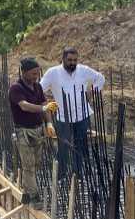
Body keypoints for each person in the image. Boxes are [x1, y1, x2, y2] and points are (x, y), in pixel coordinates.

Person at [40, 47, 104, 179]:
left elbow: (101, 78)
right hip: (63, 117)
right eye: (69, 60)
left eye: (75, 60)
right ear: (63, 59)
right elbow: (40, 89)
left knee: (80, 146)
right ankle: (61, 175)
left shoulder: (83, 70)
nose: (72, 63)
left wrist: (91, 92)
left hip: (82, 116)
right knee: (63, 147)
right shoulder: (53, 73)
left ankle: (78, 174)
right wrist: (45, 103)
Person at [9, 57, 56, 210]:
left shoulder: (37, 87)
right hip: (23, 131)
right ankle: (35, 198)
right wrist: (43, 108)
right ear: (24, 72)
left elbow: (44, 105)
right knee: (28, 166)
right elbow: (24, 106)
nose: (36, 76)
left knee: (36, 164)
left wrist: (48, 122)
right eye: (33, 73)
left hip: (38, 130)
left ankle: (27, 190)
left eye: (38, 73)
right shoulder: (16, 88)